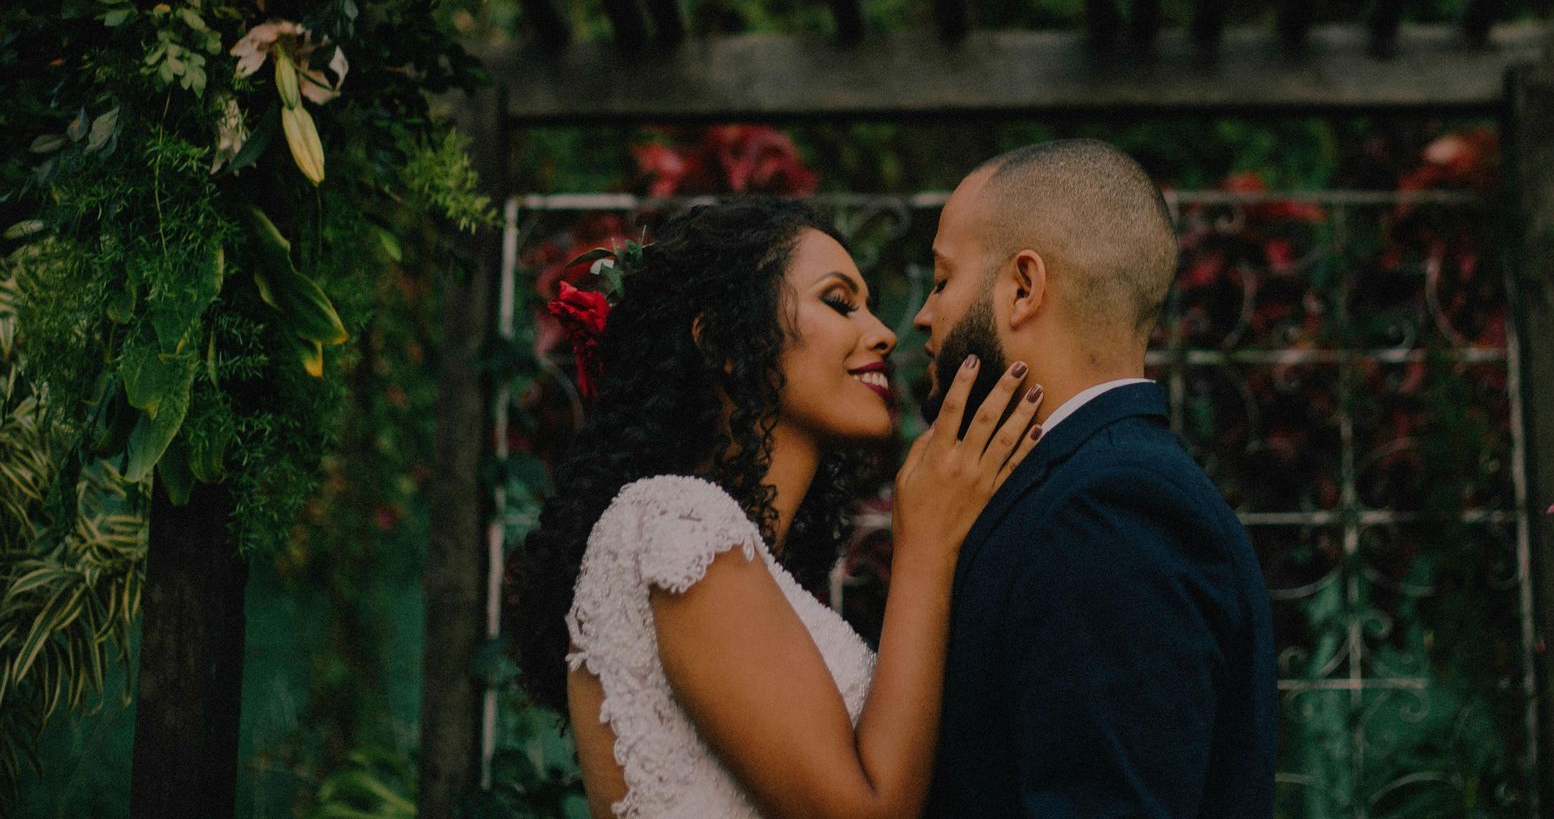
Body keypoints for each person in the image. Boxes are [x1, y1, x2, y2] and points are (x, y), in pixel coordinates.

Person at [508, 197, 1043, 819]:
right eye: (840, 302)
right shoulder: (678, 523)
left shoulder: (738, 555)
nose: (885, 332)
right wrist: (924, 548)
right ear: (728, 341)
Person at [914, 139, 1278, 819]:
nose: (923, 315)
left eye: (941, 279)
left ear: (1023, 288)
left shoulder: (1110, 507)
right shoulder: (1083, 489)